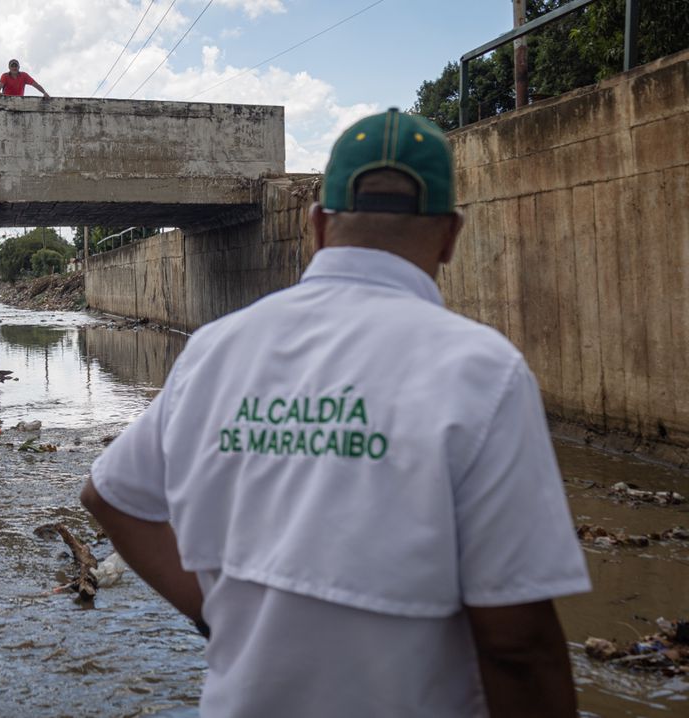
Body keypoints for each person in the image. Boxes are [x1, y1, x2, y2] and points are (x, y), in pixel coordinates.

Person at [81, 108, 591, 717]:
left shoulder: (217, 351)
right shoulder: (481, 371)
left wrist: (218, 613)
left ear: (318, 224)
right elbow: (518, 642)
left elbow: (108, 495)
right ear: (451, 235)